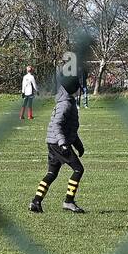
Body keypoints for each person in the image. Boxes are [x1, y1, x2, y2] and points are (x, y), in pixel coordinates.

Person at [29, 75, 86, 214]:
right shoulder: (65, 104)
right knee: (78, 169)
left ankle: (36, 202)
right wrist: (63, 145)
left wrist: (78, 144)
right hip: (58, 143)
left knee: (52, 173)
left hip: (54, 142)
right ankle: (69, 201)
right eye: (78, 87)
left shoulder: (68, 101)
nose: (80, 90)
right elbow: (57, 125)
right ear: (73, 88)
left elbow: (70, 128)